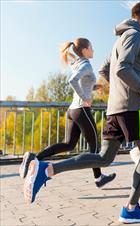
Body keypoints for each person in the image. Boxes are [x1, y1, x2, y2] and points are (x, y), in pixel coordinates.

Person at [23, 2, 140, 224]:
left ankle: (47, 169)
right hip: (134, 109)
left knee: (104, 158)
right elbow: (122, 69)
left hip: (115, 109)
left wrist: (118, 90)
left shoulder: (119, 40)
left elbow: (105, 70)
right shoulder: (135, 36)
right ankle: (131, 208)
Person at [19, 38, 116, 188]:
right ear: (84, 50)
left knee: (69, 144)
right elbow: (73, 80)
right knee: (95, 147)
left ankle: (34, 158)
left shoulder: (77, 63)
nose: (93, 50)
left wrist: (95, 87)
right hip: (81, 110)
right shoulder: (86, 65)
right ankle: (98, 179)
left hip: (72, 110)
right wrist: (85, 98)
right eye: (91, 47)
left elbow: (82, 82)